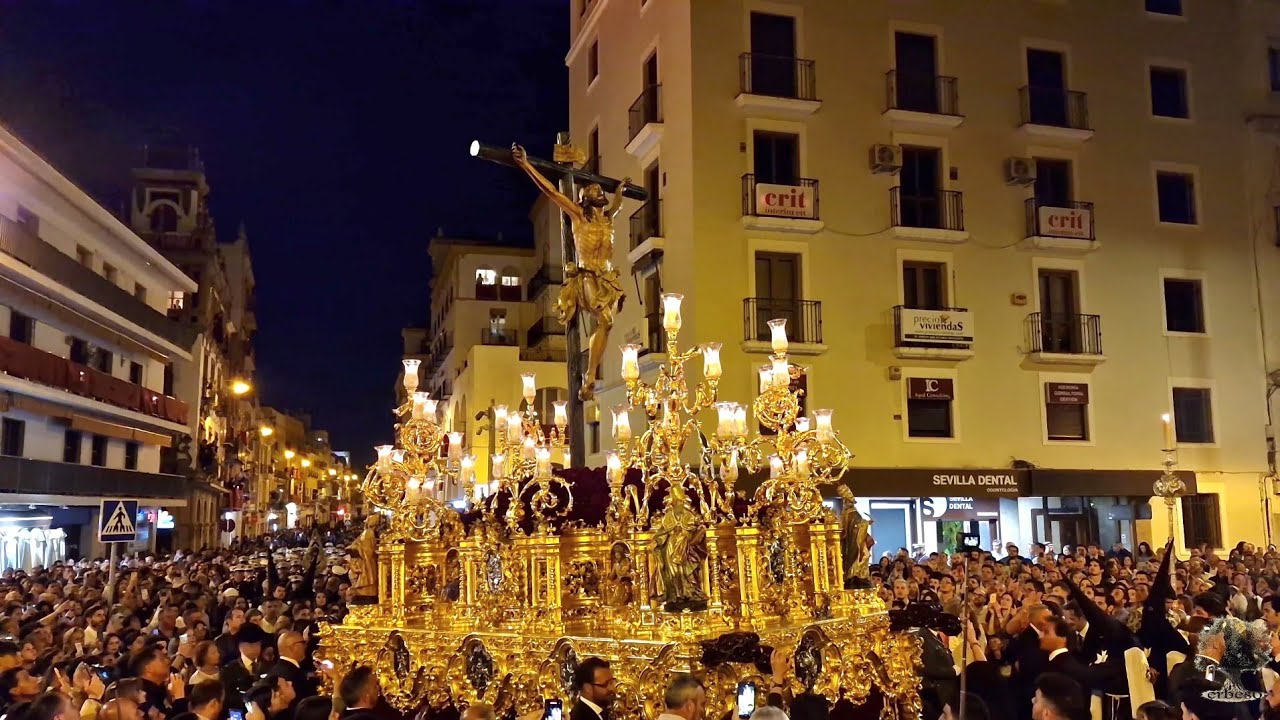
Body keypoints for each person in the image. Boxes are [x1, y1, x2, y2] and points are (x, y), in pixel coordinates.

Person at [222, 624, 267, 710]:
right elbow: (227, 698)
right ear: (239, 646)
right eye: (250, 645)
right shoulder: (228, 670)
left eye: (257, 644)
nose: (255, 648)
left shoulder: (268, 666)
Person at [268, 632, 317, 701]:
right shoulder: (291, 674)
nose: (305, 646)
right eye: (303, 643)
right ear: (293, 647)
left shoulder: (278, 669)